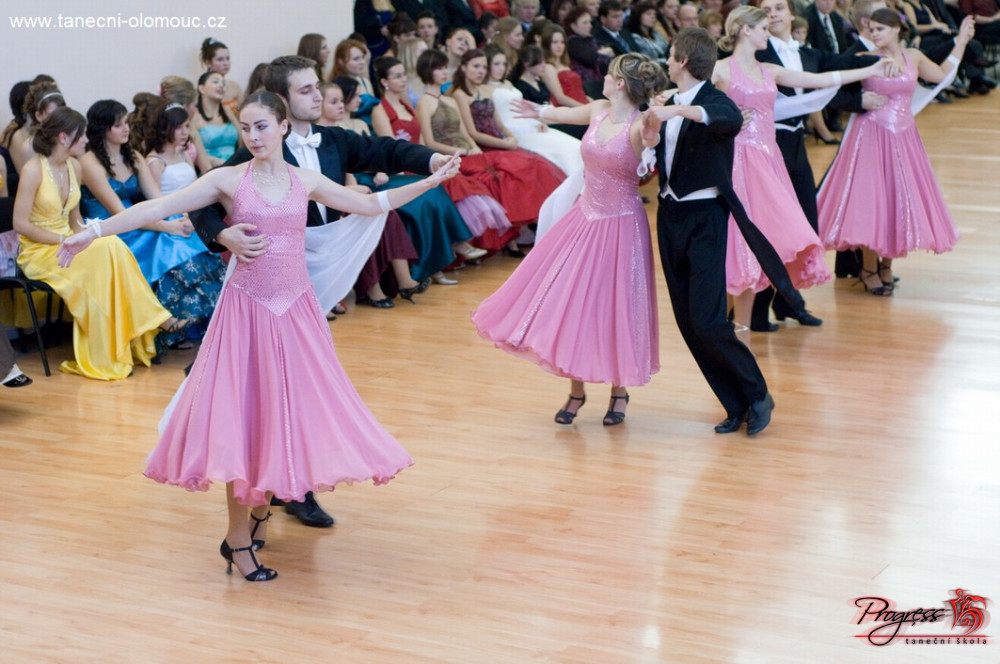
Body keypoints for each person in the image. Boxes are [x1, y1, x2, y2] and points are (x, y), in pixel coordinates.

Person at [58, 91, 459, 582]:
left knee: (284, 419)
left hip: (296, 315)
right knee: (244, 428)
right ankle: (238, 539)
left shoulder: (304, 180)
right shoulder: (228, 179)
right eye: (245, 128)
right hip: (246, 315)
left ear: (283, 126)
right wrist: (92, 233)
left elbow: (369, 203)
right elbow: (156, 207)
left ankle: (259, 516)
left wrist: (429, 181)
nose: (253, 136)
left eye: (262, 126)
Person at [189, 56, 460, 527]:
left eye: (318, 87)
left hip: (316, 259)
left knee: (304, 378)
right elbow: (203, 204)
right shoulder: (254, 149)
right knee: (274, 380)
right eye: (307, 89)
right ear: (281, 102)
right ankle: (280, 482)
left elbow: (383, 150)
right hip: (267, 269)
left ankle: (292, 479)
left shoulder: (331, 139)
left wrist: (430, 162)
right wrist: (223, 234)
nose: (318, 95)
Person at [473, 53, 666, 425]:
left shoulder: (640, 125)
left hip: (621, 226)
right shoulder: (598, 110)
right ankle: (576, 391)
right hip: (584, 217)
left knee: (617, 307)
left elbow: (650, 143)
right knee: (573, 302)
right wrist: (538, 111)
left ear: (620, 83)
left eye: (609, 74)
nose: (602, 78)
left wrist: (651, 136)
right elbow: (564, 114)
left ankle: (619, 390)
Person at [714, 6, 888, 339]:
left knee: (774, 235)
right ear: (745, 30)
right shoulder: (720, 69)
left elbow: (819, 80)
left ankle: (743, 326)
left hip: (770, 161)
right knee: (740, 241)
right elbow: (696, 100)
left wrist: (870, 68)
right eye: (763, 27)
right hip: (739, 162)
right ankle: (727, 327)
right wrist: (726, 114)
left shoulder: (769, 70)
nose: (768, 32)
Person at [643, 28, 774, 435]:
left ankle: (758, 394)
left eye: (670, 55)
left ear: (683, 61)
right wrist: (650, 135)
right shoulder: (666, 103)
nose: (666, 61)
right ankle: (735, 404)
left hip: (706, 218)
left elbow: (728, 120)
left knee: (708, 319)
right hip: (670, 216)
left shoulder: (714, 100)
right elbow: (656, 158)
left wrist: (680, 112)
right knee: (688, 321)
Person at [13, 107, 179, 380]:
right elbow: (20, 224)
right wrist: (64, 239)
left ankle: (131, 335)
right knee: (105, 255)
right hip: (39, 251)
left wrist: (85, 236)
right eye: (81, 136)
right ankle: (150, 320)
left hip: (67, 241)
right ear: (64, 137)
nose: (87, 140)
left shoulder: (74, 166)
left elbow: (75, 219)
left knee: (110, 243)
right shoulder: (33, 170)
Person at [817, 10, 975, 293]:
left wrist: (961, 41)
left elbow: (942, 75)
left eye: (880, 29)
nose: (874, 34)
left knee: (896, 200)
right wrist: (861, 99)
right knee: (873, 204)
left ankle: (887, 266)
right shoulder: (866, 59)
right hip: (870, 136)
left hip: (903, 138)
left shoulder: (913, 56)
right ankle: (868, 268)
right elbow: (835, 90)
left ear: (896, 29)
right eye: (872, 29)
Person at [79, 100, 225, 350]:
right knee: (171, 241)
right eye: (119, 124)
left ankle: (198, 320)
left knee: (187, 239)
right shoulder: (89, 162)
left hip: (142, 220)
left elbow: (159, 200)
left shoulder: (133, 156)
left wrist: (182, 218)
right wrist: (166, 227)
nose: (126, 128)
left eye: (126, 122)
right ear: (103, 128)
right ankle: (165, 327)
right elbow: (119, 214)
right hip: (113, 230)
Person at [484, 45, 583, 176]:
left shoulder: (507, 83)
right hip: (512, 129)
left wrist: (536, 123)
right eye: (496, 64)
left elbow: (521, 108)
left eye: (504, 64)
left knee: (575, 146)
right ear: (487, 65)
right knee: (560, 152)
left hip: (529, 123)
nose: (501, 68)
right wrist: (508, 135)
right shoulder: (484, 88)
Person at [191, 71, 240, 165]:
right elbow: (193, 153)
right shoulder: (194, 116)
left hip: (235, 165)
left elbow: (242, 141)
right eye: (215, 81)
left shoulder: (228, 111)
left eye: (223, 83)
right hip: (209, 167)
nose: (221, 85)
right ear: (201, 88)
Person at [200, 37, 243, 118]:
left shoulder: (234, 87)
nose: (226, 63)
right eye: (220, 59)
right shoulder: (203, 90)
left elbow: (240, 114)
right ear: (208, 62)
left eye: (228, 58)